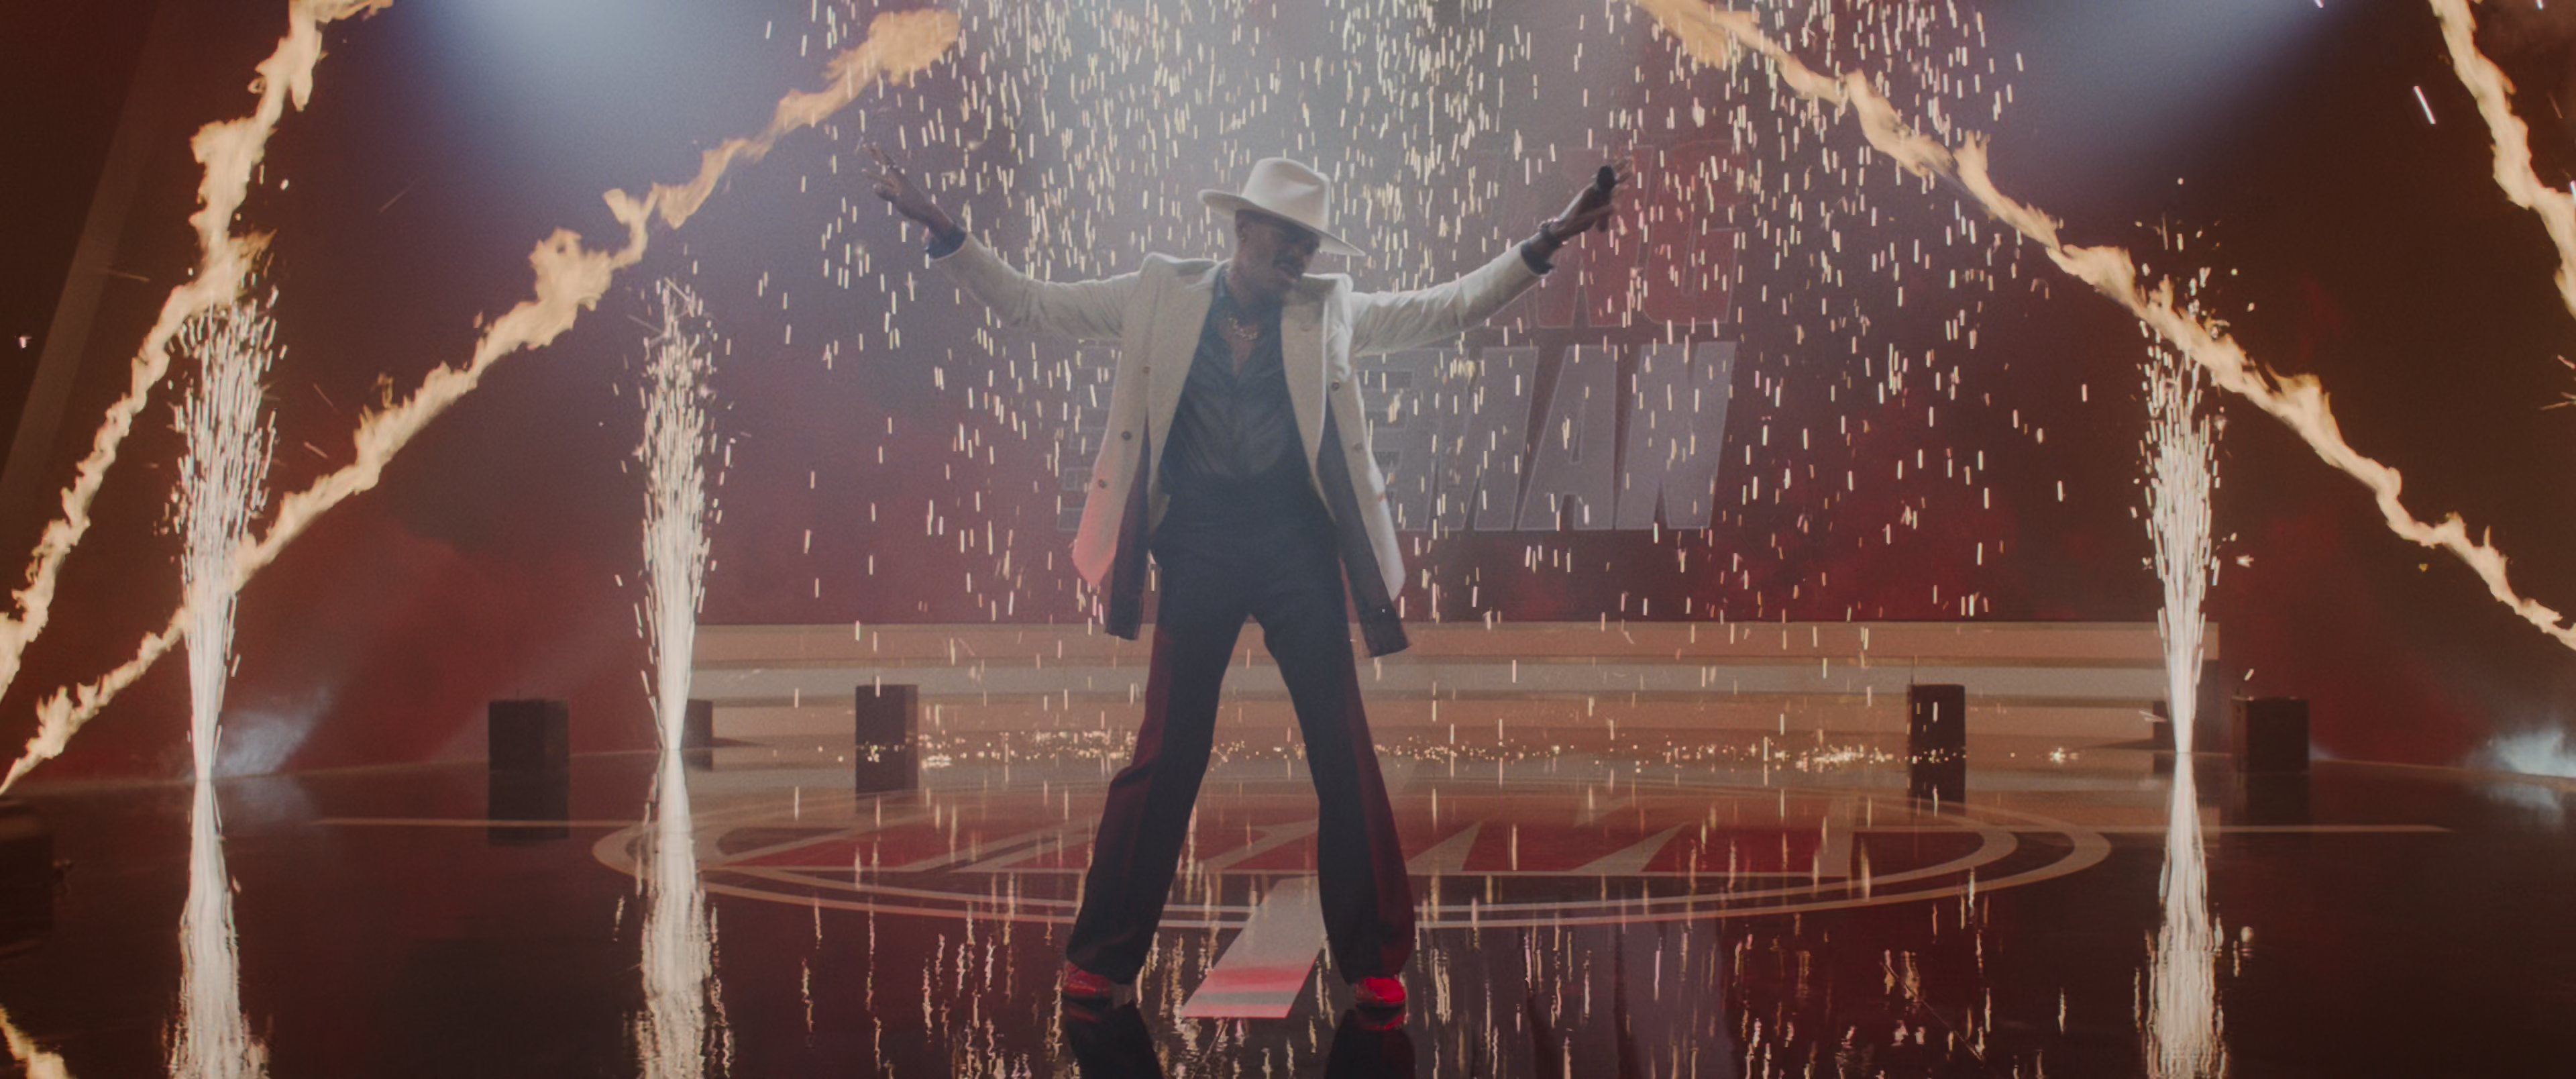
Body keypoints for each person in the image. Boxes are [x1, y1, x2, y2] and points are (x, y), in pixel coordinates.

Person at [871, 150, 1619, 1010]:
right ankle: (1103, 955)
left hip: (1297, 550)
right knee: (1167, 750)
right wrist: (947, 233)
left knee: (1340, 746)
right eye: (1284, 237)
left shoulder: (1328, 308)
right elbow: (1034, 304)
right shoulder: (1159, 292)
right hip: (1198, 548)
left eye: (1308, 242)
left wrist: (1549, 239)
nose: (1297, 254)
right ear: (1242, 228)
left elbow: (1447, 308)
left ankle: (1374, 957)